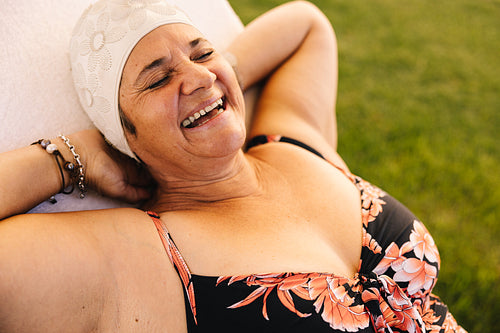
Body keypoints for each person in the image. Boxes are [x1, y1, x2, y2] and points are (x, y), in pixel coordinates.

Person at [0, 0, 466, 331]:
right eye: (159, 79)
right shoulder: (131, 258)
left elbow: (307, 23)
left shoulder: (292, 142)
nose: (198, 75)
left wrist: (222, 85)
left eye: (203, 53)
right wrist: (67, 158)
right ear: (126, 136)